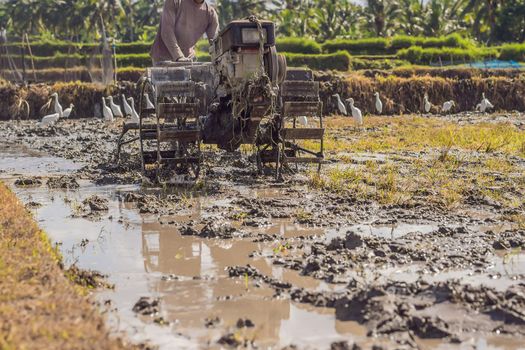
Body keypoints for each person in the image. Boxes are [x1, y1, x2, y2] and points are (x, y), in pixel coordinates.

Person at [151, 0, 219, 65]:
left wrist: (219, 59)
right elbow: (167, 32)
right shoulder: (175, 1)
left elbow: (215, 42)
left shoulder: (210, 14)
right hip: (163, 57)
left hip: (188, 58)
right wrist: (179, 57)